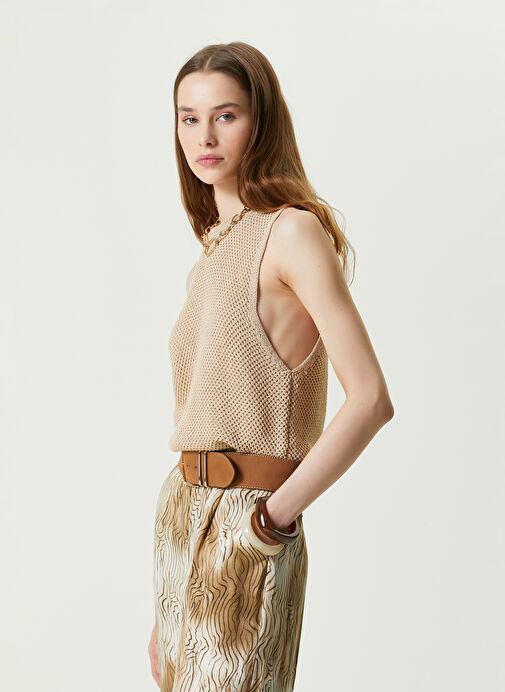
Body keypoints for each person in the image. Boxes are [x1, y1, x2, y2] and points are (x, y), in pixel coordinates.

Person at [148, 41, 394, 691]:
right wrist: (168, 592)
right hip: (182, 516)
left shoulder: (290, 233)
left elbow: (370, 398)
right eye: (188, 117)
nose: (204, 136)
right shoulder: (211, 253)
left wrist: (270, 519)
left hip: (247, 519)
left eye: (225, 115)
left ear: (262, 122)